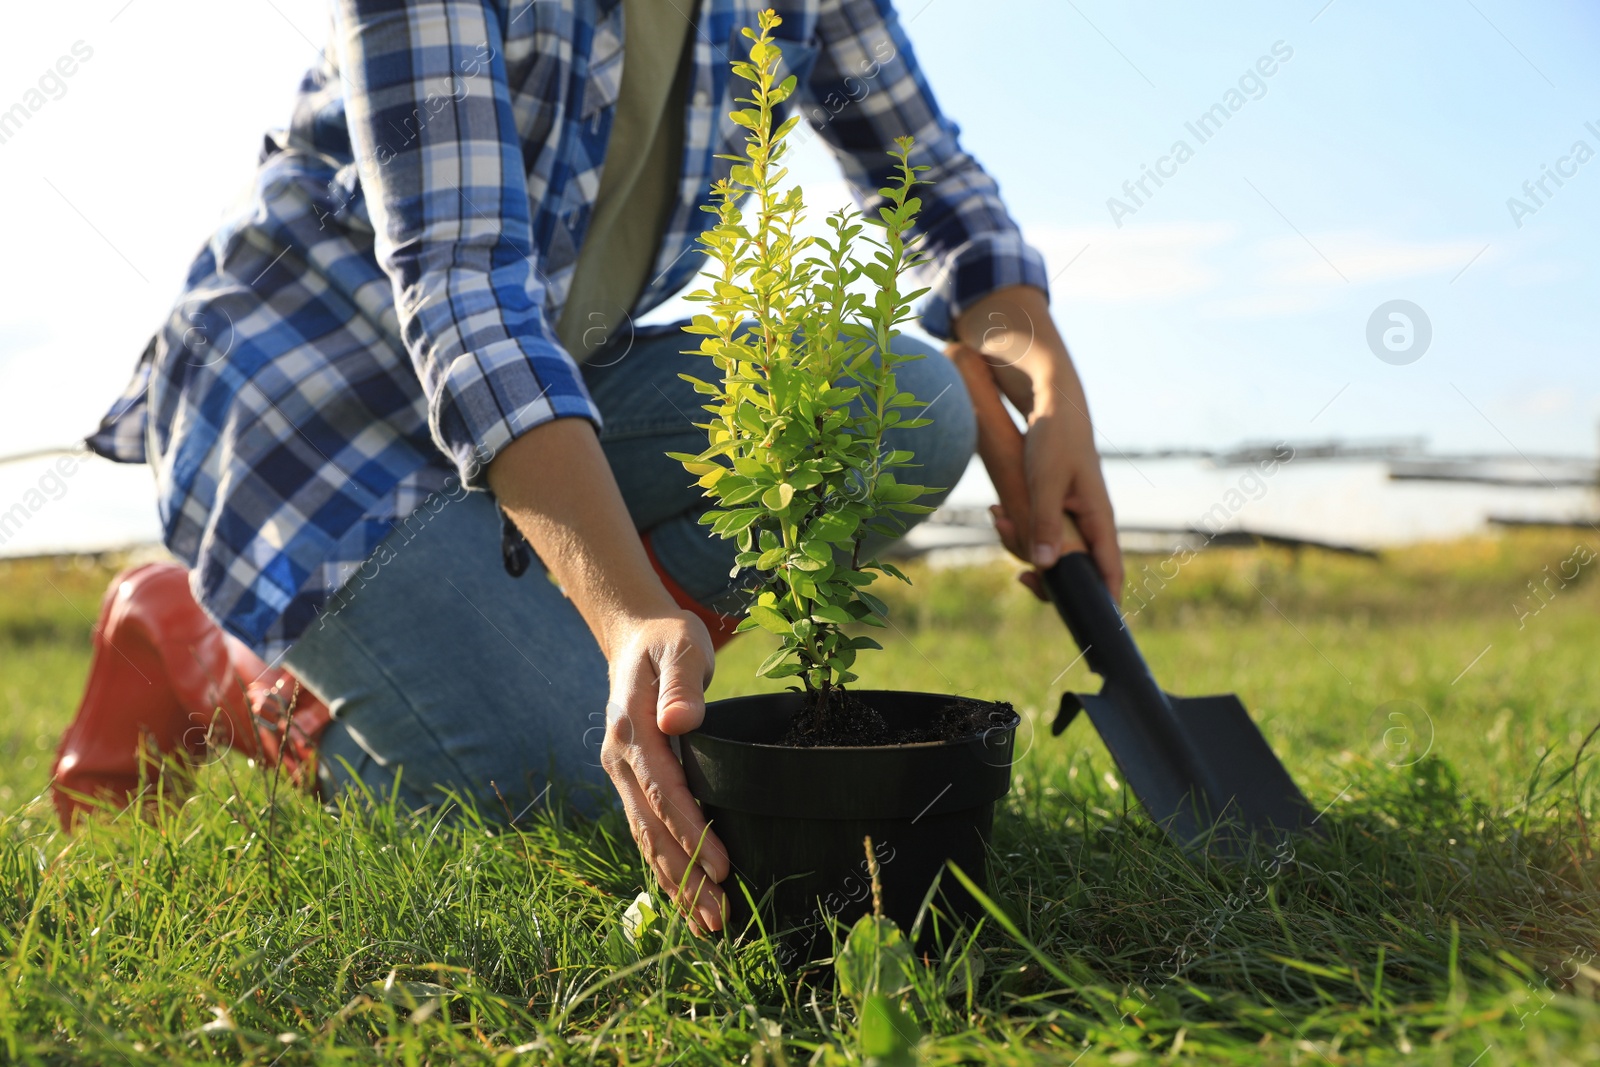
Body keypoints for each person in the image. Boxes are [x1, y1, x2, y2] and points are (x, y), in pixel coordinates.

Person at [53, 0, 1122, 933]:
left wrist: (1046, 378)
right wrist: (619, 609)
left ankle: (569, 667)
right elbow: (463, 286)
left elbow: (930, 184)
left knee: (910, 406)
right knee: (554, 788)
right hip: (319, 420)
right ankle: (221, 654)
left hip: (549, 389)